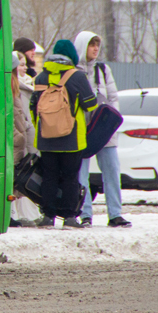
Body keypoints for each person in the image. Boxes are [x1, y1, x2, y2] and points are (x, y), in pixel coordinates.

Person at [30, 39, 97, 229]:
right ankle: (69, 217)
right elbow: (91, 104)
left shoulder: (41, 77)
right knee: (70, 177)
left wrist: (42, 127)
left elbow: (34, 107)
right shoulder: (77, 76)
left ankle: (48, 216)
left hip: (46, 138)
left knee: (49, 176)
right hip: (71, 138)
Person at [73, 31, 132, 228]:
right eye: (91, 45)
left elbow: (113, 98)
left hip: (104, 130)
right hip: (82, 130)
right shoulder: (74, 71)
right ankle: (84, 213)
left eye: (97, 45)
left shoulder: (103, 69)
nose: (96, 49)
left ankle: (115, 214)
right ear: (82, 46)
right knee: (81, 173)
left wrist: (111, 122)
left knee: (112, 170)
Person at [9, 51, 42, 227]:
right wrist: (18, 138)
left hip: (18, 141)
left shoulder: (15, 89)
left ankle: (10, 215)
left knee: (13, 179)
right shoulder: (9, 88)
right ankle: (9, 215)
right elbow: (10, 116)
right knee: (10, 179)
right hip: (15, 141)